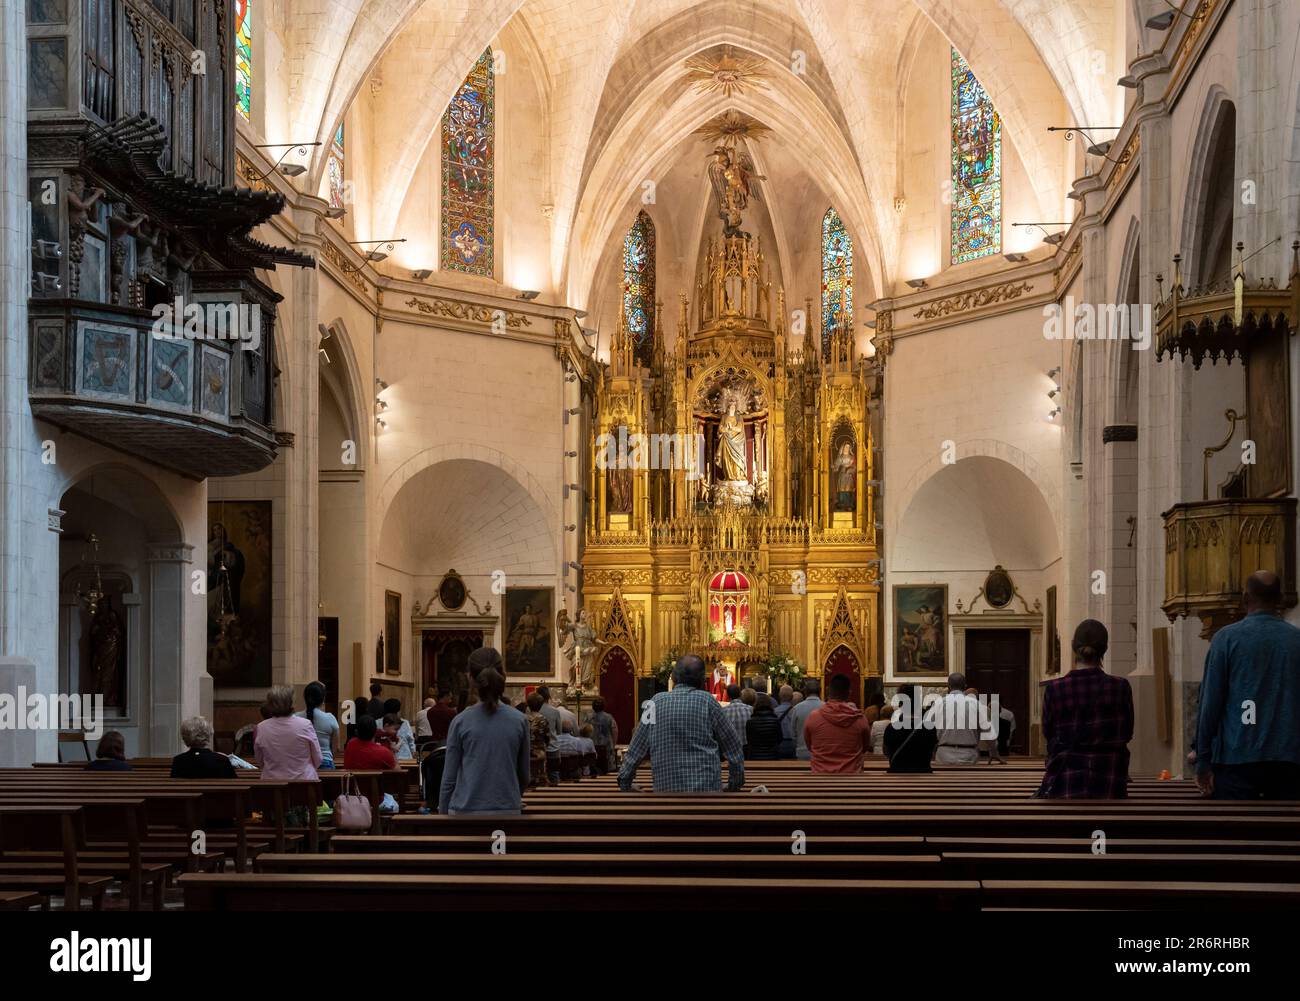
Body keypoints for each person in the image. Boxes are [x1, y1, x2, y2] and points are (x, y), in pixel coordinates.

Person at [1196, 571, 1300, 799]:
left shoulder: (1226, 639)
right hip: (1289, 762)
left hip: (1237, 761)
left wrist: (1202, 760)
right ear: (1280, 600)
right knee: (1287, 832)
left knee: (1237, 831)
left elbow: (1210, 705)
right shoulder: (1296, 639)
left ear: (1245, 598)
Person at [618, 654, 744, 793]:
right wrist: (734, 783)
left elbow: (637, 747)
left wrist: (625, 782)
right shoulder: (708, 701)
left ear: (673, 677)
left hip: (666, 792)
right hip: (706, 793)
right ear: (703, 680)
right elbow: (733, 746)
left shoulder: (654, 703)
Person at [1038, 620, 1134, 798]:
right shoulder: (1121, 687)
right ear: (1104, 649)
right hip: (1109, 783)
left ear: (1074, 648)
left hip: (1065, 784)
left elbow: (1048, 732)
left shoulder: (1055, 688)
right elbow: (1127, 733)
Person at [438, 667, 530, 815]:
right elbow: (524, 774)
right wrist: (513, 796)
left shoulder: (460, 720)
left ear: (476, 688)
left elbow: (449, 776)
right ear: (502, 688)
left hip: (466, 809)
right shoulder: (520, 720)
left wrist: (442, 811)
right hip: (506, 809)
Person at [804, 672, 870, 773]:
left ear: (828, 691)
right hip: (852, 780)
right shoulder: (860, 719)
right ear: (849, 693)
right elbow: (864, 747)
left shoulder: (813, 717)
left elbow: (810, 746)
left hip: (820, 779)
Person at [254, 685, 322, 780]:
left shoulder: (261, 727)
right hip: (304, 782)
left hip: (272, 783)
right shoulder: (305, 724)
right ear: (291, 703)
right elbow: (318, 758)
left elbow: (259, 760)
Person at [933, 674, 985, 764]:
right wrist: (994, 751)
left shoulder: (939, 703)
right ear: (965, 686)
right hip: (969, 754)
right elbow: (988, 730)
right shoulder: (975, 703)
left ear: (948, 686)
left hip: (944, 754)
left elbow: (928, 730)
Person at [884, 685, 937, 773]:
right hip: (924, 778)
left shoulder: (891, 728)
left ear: (901, 703)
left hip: (896, 778)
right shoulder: (929, 728)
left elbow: (886, 752)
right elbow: (933, 751)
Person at [171, 716, 236, 779]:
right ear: (209, 734)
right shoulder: (221, 760)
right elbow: (234, 783)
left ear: (185, 737)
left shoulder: (178, 760)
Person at [302, 680, 339, 769]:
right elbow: (336, 748)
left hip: (303, 764)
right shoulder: (330, 718)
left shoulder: (296, 717)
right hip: (325, 762)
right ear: (323, 699)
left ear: (305, 698)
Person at [788, 679, 824, 761]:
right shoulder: (826, 707)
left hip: (802, 752)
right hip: (821, 753)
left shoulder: (797, 708)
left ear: (805, 692)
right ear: (820, 692)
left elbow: (793, 734)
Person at [523, 693, 554, 788]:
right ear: (541, 705)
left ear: (528, 704)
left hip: (525, 751)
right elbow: (547, 737)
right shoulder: (543, 719)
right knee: (540, 777)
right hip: (539, 751)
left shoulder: (523, 718)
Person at [745, 693, 783, 760]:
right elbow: (779, 739)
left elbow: (749, 740)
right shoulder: (775, 721)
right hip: (772, 756)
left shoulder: (750, 722)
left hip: (755, 757)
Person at [588, 697, 619, 774]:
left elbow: (583, 731)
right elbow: (615, 731)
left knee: (594, 768)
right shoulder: (609, 717)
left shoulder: (588, 717)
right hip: (606, 745)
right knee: (607, 769)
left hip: (592, 745)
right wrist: (613, 743)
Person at [721, 683, 753, 750]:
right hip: (747, 748)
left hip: (730, 748)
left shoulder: (723, 711)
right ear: (741, 694)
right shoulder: (750, 709)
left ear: (728, 696)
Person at [773, 685, 796, 758]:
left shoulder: (774, 712)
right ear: (792, 697)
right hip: (793, 744)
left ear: (779, 696)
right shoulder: (796, 711)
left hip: (779, 744)